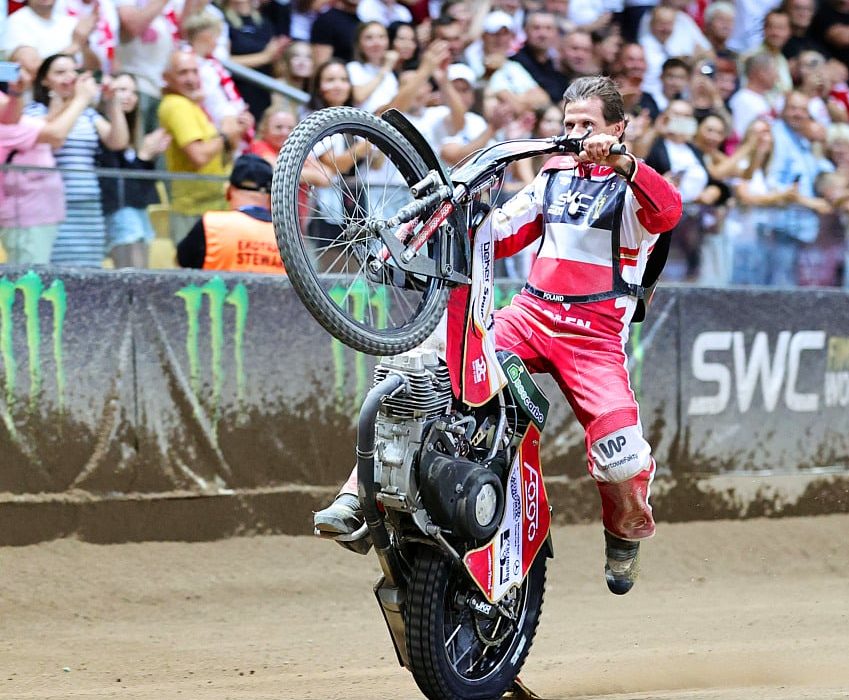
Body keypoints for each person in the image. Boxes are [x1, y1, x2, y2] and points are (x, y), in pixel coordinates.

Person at [313, 76, 684, 596]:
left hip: (594, 340)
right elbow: (502, 233)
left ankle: (624, 538)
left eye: (589, 125)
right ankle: (358, 497)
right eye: (570, 122)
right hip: (530, 316)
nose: (576, 133)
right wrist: (426, 231)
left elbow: (669, 211)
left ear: (617, 127)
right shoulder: (552, 175)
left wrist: (623, 161)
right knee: (425, 365)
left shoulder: (633, 187)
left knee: (622, 455)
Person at [25, 53, 129, 266]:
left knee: (88, 272)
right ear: (44, 80)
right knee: (55, 272)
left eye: (74, 71)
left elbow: (117, 142)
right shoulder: (34, 112)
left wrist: (112, 104)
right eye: (60, 72)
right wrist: (81, 100)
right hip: (50, 205)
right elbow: (55, 140)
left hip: (88, 204)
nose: (69, 77)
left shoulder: (87, 115)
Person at [157, 49, 248, 245]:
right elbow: (198, 156)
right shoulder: (176, 105)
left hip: (212, 209)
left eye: (194, 71)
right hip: (193, 213)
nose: (191, 79)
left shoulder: (192, 104)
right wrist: (225, 134)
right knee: (196, 275)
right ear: (167, 78)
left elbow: (218, 153)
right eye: (182, 73)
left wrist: (235, 132)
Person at [97, 73, 172, 268]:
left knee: (141, 277)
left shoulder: (133, 135)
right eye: (122, 90)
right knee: (131, 279)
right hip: (119, 213)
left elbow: (140, 189)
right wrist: (144, 156)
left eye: (133, 92)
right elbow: (118, 186)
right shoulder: (102, 130)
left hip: (138, 212)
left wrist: (148, 158)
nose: (129, 96)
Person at [176, 153, 284, 273]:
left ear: (228, 190)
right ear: (272, 196)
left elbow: (181, 263)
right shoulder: (286, 237)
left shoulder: (211, 224)